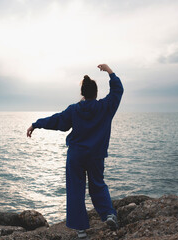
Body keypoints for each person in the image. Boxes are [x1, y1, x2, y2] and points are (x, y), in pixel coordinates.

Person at [26, 64, 123, 239]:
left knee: (75, 189)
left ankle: (80, 230)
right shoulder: (105, 107)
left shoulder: (74, 109)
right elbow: (117, 91)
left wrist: (36, 124)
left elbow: (57, 121)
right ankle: (109, 214)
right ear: (96, 93)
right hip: (96, 155)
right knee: (98, 185)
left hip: (76, 155)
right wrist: (110, 72)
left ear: (83, 94)